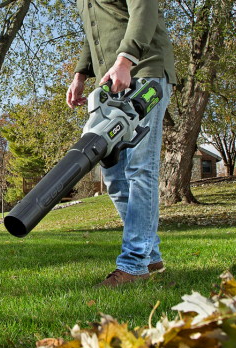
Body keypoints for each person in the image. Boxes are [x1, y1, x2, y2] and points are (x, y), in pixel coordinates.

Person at [66, 0, 177, 288]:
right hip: (113, 82)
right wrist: (80, 75)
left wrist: (126, 60)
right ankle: (150, 254)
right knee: (113, 173)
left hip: (145, 71)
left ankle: (134, 264)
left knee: (141, 168)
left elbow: (145, 7)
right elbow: (94, 31)